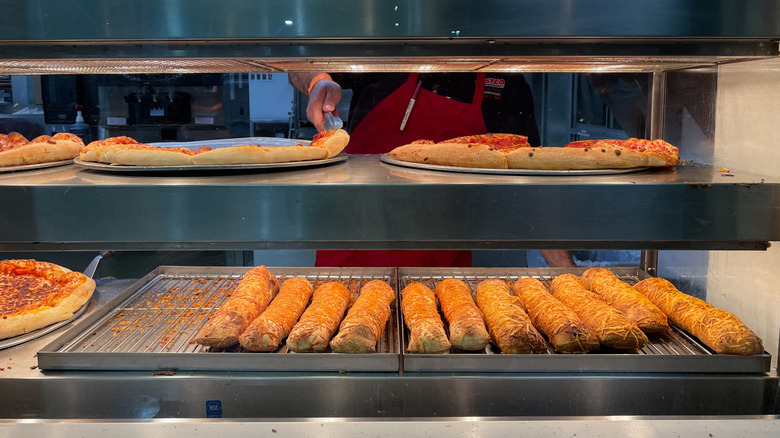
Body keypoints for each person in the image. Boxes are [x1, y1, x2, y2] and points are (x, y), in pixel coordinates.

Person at [289, 71, 575, 268]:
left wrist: (565, 269)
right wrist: (318, 82)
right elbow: (298, 65)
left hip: (440, 257)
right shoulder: (385, 53)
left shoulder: (504, 82)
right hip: (355, 240)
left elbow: (532, 186)